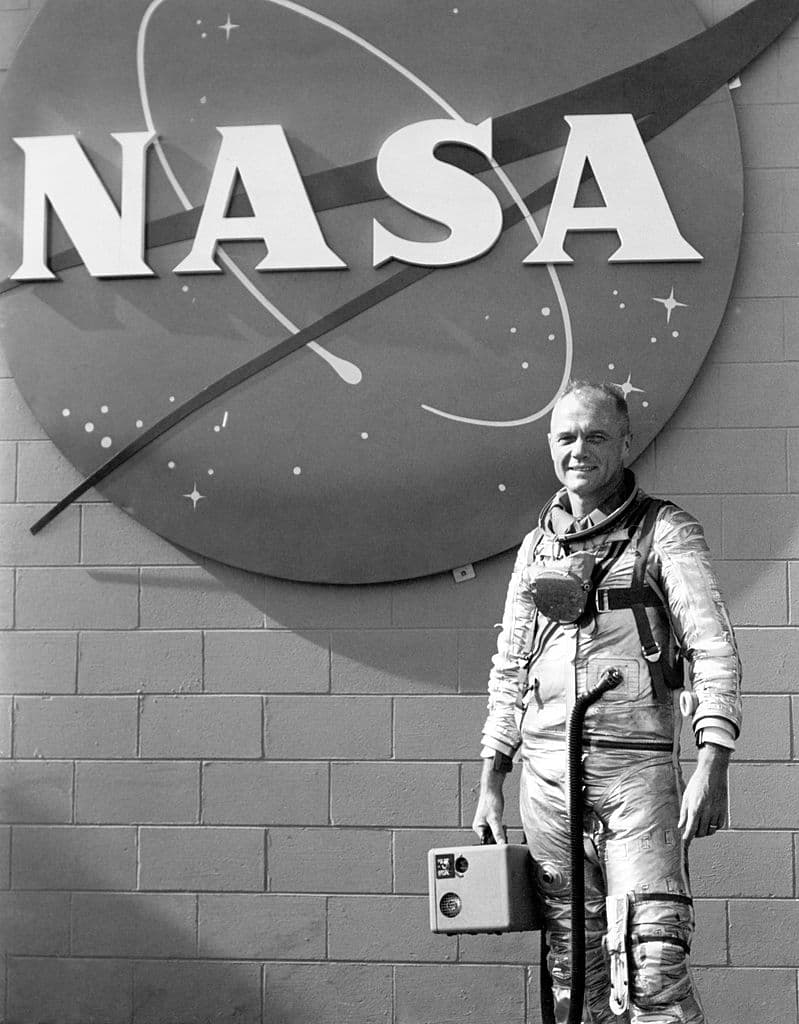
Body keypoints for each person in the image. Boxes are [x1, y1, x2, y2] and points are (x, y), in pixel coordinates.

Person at [472, 380, 741, 1024]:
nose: (579, 450)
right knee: (575, 980)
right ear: (550, 447)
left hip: (636, 774)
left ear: (624, 442)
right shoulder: (536, 548)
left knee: (654, 968)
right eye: (566, 437)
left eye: (595, 436)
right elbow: (509, 667)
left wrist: (713, 762)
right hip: (545, 780)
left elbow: (712, 647)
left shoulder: (664, 532)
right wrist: (490, 779)